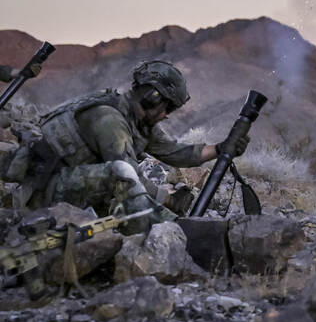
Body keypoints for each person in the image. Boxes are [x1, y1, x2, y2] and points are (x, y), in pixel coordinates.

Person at [18, 60, 249, 228]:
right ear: (152, 98)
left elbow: (174, 152)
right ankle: (177, 232)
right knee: (125, 181)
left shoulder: (136, 120)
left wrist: (221, 149)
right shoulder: (110, 121)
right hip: (47, 195)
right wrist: (168, 202)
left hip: (74, 186)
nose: (167, 115)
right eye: (168, 108)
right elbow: (128, 179)